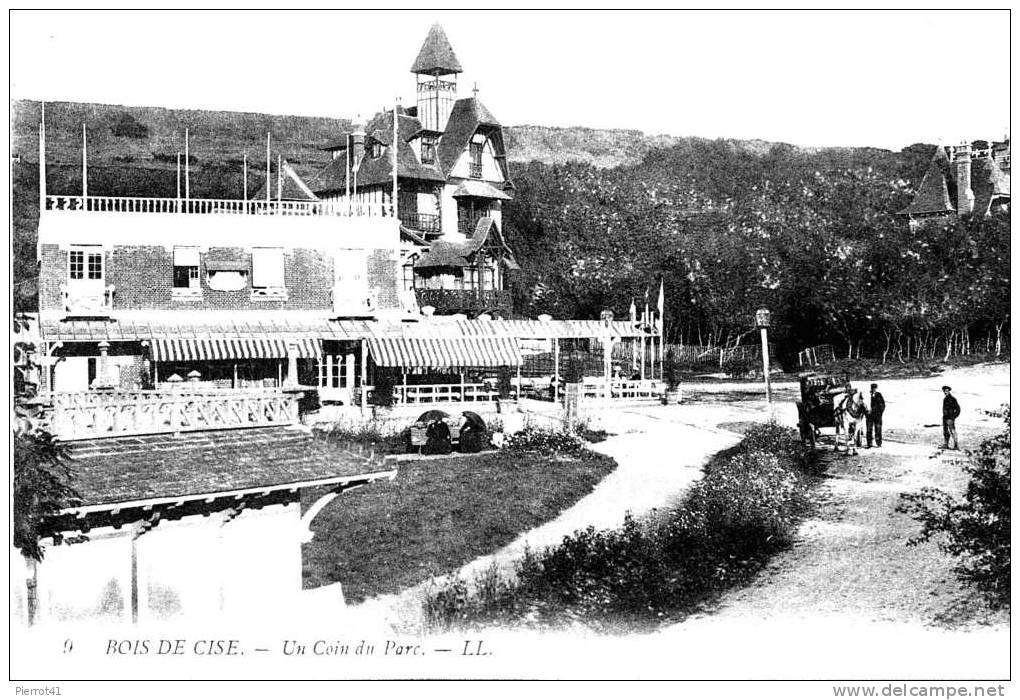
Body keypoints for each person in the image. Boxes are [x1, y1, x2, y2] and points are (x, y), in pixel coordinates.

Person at [866, 383, 885, 448]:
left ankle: (879, 443)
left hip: (877, 415)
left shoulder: (879, 395)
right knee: (869, 429)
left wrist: (880, 413)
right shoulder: (868, 395)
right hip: (869, 415)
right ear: (871, 388)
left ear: (876, 388)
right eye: (872, 388)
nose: (874, 389)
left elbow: (883, 405)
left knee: (878, 429)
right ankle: (869, 443)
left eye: (875, 388)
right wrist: (867, 413)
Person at [942, 386, 960, 450]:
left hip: (950, 418)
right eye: (944, 391)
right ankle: (946, 444)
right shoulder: (945, 399)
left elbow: (958, 409)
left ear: (949, 391)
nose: (945, 392)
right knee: (946, 432)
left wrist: (953, 417)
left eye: (946, 391)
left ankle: (956, 445)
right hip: (945, 418)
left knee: (952, 431)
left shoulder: (953, 399)